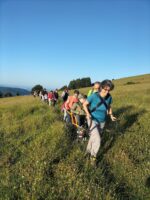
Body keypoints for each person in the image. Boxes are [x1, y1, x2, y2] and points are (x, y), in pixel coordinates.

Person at [83, 80, 116, 164]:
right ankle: (93, 158)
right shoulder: (94, 96)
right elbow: (84, 104)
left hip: (102, 121)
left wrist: (111, 115)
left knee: (93, 137)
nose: (107, 92)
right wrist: (87, 113)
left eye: (109, 90)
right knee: (97, 139)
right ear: (101, 88)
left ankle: (87, 152)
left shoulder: (109, 97)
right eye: (105, 89)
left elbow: (109, 106)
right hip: (92, 119)